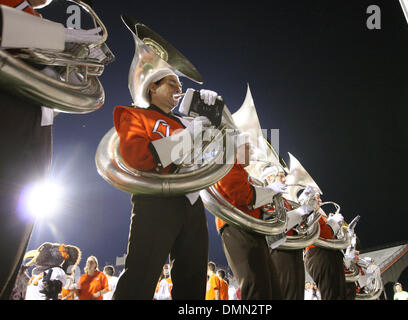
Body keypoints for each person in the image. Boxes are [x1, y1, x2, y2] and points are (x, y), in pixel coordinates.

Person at [0, 0, 102, 299]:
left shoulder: (38, 20)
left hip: (35, 133)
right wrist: (54, 39)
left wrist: (76, 66)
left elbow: (53, 94)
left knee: (10, 246)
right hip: (8, 120)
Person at [112, 65, 221, 299]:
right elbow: (138, 156)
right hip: (156, 201)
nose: (179, 88)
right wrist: (188, 136)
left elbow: (217, 156)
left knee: (193, 281)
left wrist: (215, 118)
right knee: (140, 278)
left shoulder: (188, 123)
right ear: (153, 86)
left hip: (192, 203)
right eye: (172, 83)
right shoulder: (134, 114)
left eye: (180, 85)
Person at [214, 140, 285, 300]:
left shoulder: (243, 172)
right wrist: (270, 191)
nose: (251, 151)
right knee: (256, 288)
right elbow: (243, 196)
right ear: (234, 148)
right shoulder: (227, 165)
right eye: (247, 147)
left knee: (272, 291)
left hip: (254, 231)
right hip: (237, 229)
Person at [261, 165, 320, 300]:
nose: (284, 179)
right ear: (269, 178)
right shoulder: (265, 196)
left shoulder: (286, 201)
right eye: (280, 176)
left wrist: (310, 211)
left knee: (296, 293)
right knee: (284, 293)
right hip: (279, 250)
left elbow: (300, 227)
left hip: (294, 249)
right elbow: (275, 225)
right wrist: (302, 211)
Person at [303, 203, 347, 300]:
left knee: (339, 294)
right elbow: (322, 234)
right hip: (320, 253)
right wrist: (333, 224)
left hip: (329, 253)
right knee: (331, 294)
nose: (320, 200)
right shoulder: (309, 212)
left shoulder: (320, 215)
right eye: (317, 197)